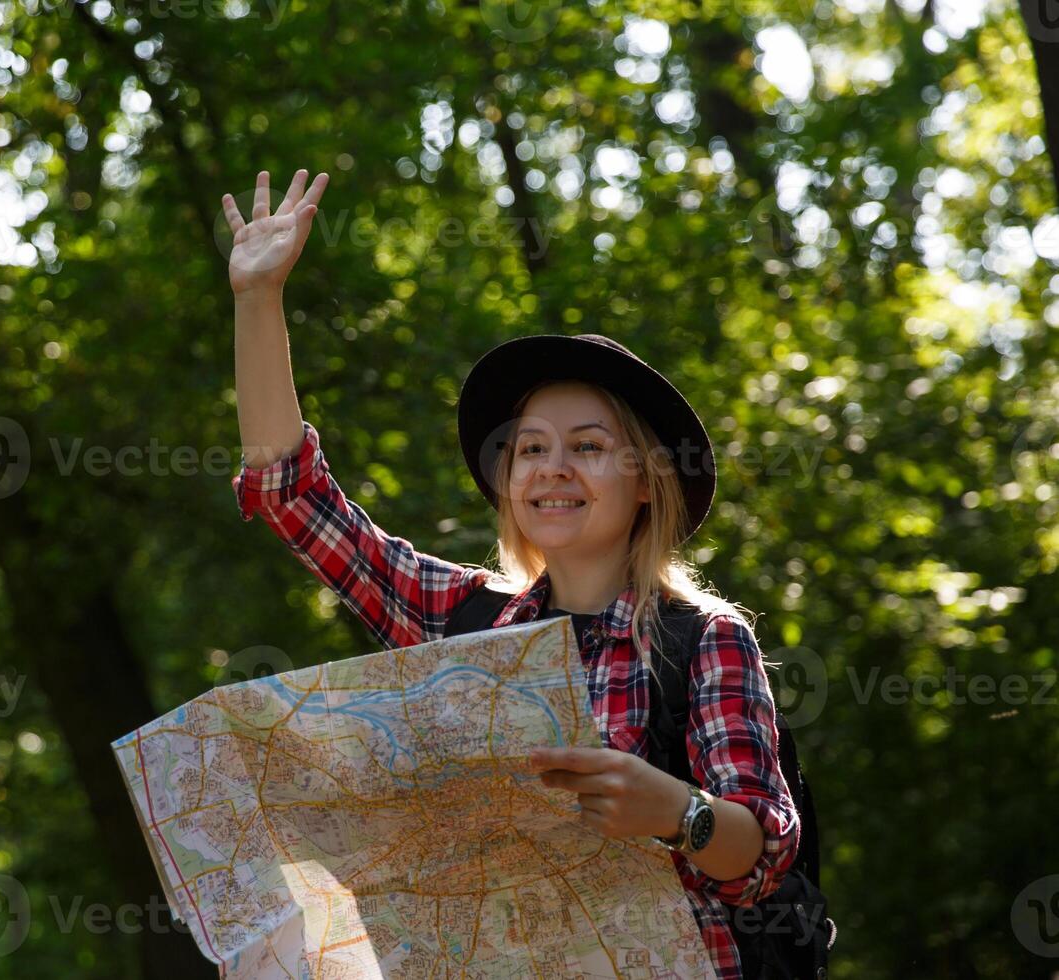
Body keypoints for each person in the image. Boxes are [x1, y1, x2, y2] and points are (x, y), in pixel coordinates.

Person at [223, 167, 799, 979]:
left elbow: (762, 855)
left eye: (588, 447)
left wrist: (676, 810)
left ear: (646, 481)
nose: (552, 469)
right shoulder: (459, 623)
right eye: (531, 448)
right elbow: (293, 496)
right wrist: (257, 298)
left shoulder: (702, 639)